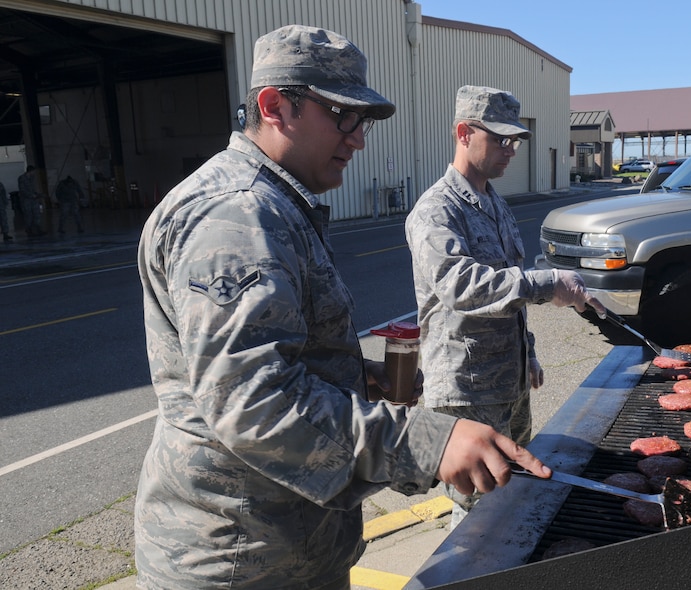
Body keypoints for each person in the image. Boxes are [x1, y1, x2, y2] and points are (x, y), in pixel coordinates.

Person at [134, 25, 550, 590]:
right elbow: (252, 401)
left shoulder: (275, 202)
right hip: (240, 558)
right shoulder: (236, 215)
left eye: (365, 123)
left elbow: (280, 359)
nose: (358, 139)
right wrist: (430, 440)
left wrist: (358, 376)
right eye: (342, 116)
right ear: (275, 105)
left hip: (286, 542)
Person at [405, 85, 605, 528]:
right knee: (477, 510)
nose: (511, 149)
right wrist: (548, 283)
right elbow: (462, 286)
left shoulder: (494, 202)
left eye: (515, 140)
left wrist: (528, 349)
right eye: (500, 139)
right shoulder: (435, 211)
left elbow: (507, 288)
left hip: (507, 380)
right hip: (466, 388)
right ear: (463, 133)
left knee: (512, 493)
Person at [17, 165, 45, 236]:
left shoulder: (32, 178)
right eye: (34, 171)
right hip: (26, 200)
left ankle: (38, 229)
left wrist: (37, 194)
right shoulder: (22, 178)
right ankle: (29, 230)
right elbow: (22, 190)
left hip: (34, 200)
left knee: (37, 214)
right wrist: (31, 195)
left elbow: (33, 188)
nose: (34, 173)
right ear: (30, 171)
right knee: (28, 215)